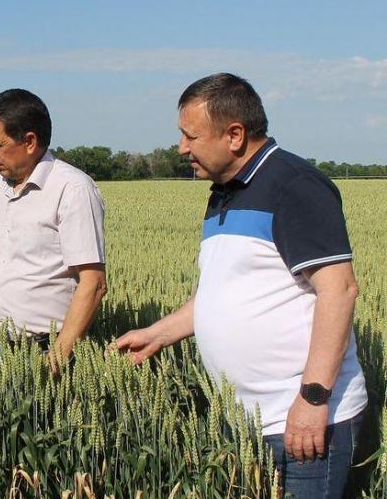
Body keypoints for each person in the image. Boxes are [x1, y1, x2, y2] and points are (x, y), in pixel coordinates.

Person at [116, 73, 367, 498]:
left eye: (190, 136)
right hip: (248, 422)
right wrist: (156, 335)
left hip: (302, 422)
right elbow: (222, 294)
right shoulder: (224, 193)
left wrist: (312, 399)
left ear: (234, 135)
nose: (181, 148)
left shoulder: (294, 185)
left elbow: (339, 290)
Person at [0, 88, 107, 372]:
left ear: (30, 141)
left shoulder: (72, 188)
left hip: (48, 346)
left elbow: (93, 283)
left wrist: (55, 360)